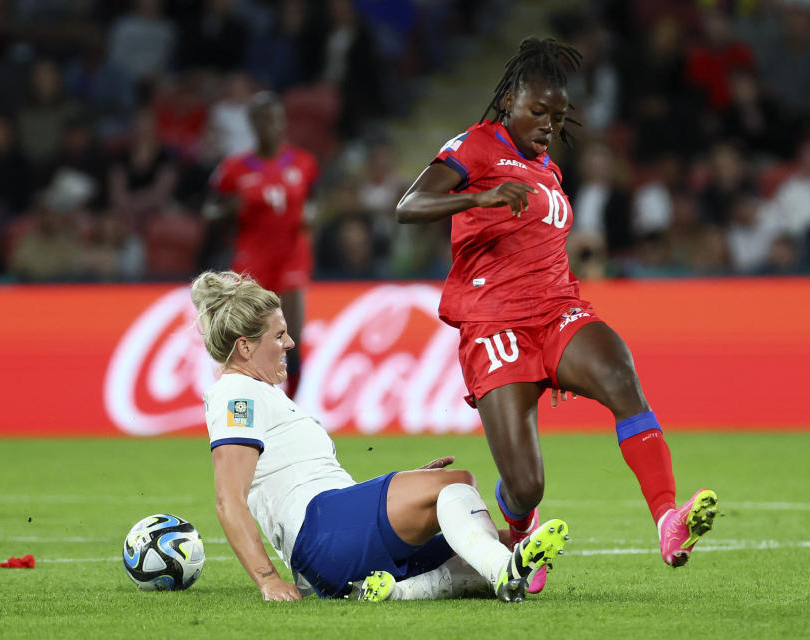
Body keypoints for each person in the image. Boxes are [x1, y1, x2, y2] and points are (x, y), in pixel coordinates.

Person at [395, 37, 718, 593]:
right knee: (526, 486)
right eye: (537, 112)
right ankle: (522, 533)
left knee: (621, 378)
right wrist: (477, 199)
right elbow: (408, 207)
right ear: (510, 104)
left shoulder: (549, 172)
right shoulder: (475, 147)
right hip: (495, 326)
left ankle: (668, 520)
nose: (547, 124)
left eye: (558, 115)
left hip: (556, 312)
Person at [190, 270, 570, 603]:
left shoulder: (261, 393)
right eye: (280, 335)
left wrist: (407, 485)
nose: (290, 343)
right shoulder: (236, 393)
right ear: (244, 346)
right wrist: (268, 580)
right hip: (320, 532)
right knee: (458, 484)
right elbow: (229, 501)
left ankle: (396, 591)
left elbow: (304, 480)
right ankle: (505, 571)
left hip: (331, 541)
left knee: (491, 542)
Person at [206, 92, 316, 399]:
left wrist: (312, 217)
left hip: (292, 259)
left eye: (277, 120)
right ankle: (248, 402)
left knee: (291, 339)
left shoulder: (304, 163)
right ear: (254, 124)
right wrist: (229, 209)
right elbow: (209, 211)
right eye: (265, 120)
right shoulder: (234, 169)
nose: (273, 126)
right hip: (251, 263)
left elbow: (314, 202)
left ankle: (292, 407)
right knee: (248, 342)